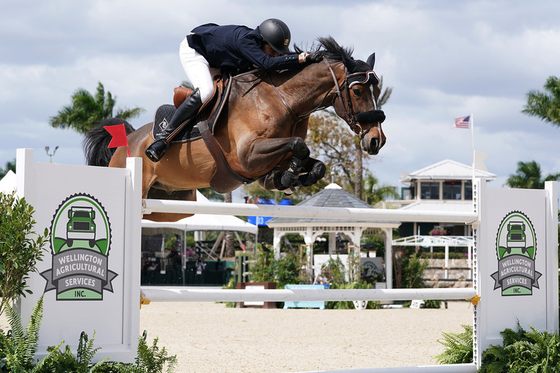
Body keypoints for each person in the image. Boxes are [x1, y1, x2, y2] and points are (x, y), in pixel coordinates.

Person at [145, 18, 312, 162]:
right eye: (273, 50)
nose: (276, 55)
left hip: (218, 58)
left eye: (278, 52)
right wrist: (300, 58)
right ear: (264, 42)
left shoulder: (258, 45)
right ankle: (163, 139)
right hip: (196, 52)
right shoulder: (246, 42)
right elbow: (268, 63)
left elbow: (274, 62)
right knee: (206, 91)